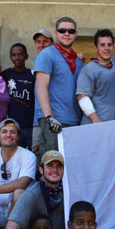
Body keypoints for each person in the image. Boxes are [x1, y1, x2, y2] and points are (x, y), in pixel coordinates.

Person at [4, 150, 65, 229]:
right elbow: (11, 227)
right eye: (50, 166)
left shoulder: (70, 190)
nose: (55, 170)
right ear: (41, 170)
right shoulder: (32, 194)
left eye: (59, 166)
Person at [33, 16, 84, 159]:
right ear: (56, 33)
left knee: (70, 166)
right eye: (62, 30)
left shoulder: (77, 61)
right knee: (51, 166)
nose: (66, 34)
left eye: (70, 31)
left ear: (76, 34)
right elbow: (41, 87)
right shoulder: (46, 55)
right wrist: (49, 117)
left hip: (74, 121)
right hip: (54, 121)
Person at [76, 29, 115, 124]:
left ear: (113, 47)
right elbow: (82, 96)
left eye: (109, 45)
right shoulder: (88, 69)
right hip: (94, 127)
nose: (106, 48)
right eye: (102, 45)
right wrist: (95, 120)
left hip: (113, 127)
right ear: (95, 48)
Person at [2, 43, 36, 149]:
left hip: (31, 126)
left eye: (20, 54)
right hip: (13, 127)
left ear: (26, 56)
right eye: (14, 55)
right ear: (10, 57)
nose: (17, 58)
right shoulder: (6, 74)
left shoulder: (33, 75)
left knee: (33, 157)